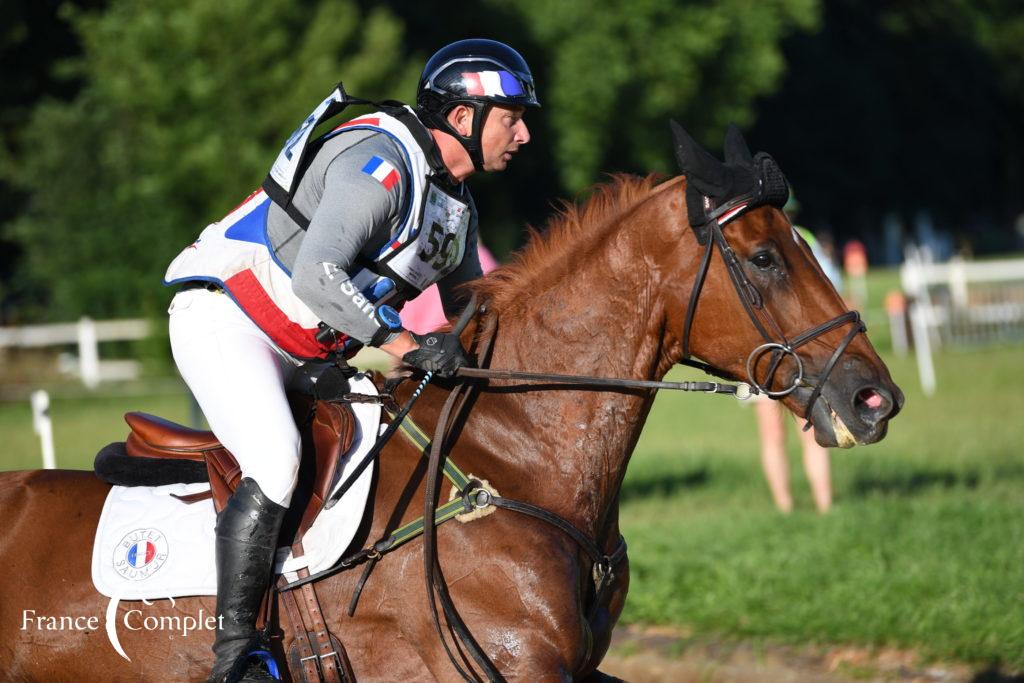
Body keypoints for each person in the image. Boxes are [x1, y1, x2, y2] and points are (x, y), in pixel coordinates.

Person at [162, 39, 538, 682]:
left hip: (308, 347)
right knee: (278, 461)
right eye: (513, 117)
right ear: (463, 119)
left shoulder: (456, 204)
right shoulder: (379, 161)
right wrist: (407, 345)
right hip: (230, 319)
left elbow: (469, 309)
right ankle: (237, 659)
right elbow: (317, 276)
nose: (525, 134)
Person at [754, 197, 841, 514]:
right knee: (801, 430)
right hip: (786, 348)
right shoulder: (801, 238)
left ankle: (800, 505)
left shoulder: (774, 239)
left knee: (784, 432)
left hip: (770, 348)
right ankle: (809, 505)